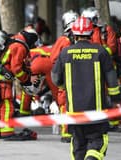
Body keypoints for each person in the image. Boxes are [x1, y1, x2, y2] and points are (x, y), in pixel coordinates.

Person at [51, 16, 121, 160]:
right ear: (91, 33)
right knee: (98, 142)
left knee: (78, 145)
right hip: (97, 111)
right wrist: (115, 99)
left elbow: (55, 79)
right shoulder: (101, 51)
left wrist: (67, 86)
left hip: (74, 112)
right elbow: (112, 81)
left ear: (73, 33)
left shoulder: (65, 53)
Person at [0, 26, 38, 139]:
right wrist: (26, 79)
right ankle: (7, 131)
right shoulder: (20, 46)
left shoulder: (11, 40)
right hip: (2, 80)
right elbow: (16, 68)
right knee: (7, 105)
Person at [50, 10, 79, 143]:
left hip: (64, 76)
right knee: (65, 104)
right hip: (66, 77)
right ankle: (66, 133)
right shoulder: (67, 41)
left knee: (66, 104)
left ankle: (69, 131)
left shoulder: (63, 39)